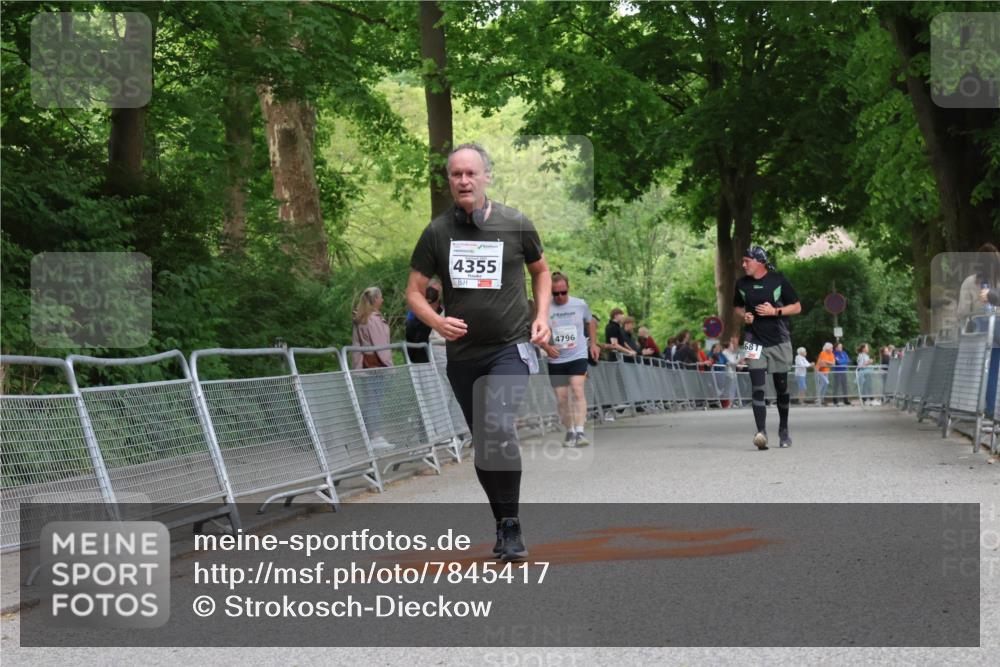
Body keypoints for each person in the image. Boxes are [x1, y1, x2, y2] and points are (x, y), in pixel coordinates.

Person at [406, 142, 551, 562]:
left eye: (471, 173)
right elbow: (413, 292)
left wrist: (541, 316)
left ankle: (511, 524)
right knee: (485, 442)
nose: (464, 181)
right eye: (456, 175)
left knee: (497, 425)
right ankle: (503, 522)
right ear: (449, 181)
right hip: (463, 356)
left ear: (487, 176)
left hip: (510, 347)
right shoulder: (437, 233)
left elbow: (540, 272)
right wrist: (436, 322)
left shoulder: (515, 223)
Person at [733, 245, 803, 449]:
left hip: (779, 341)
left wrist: (776, 311)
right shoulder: (741, 284)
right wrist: (743, 316)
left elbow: (797, 307)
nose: (743, 264)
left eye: (747, 261)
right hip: (754, 340)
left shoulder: (778, 280)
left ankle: (783, 430)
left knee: (781, 387)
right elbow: (737, 307)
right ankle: (761, 433)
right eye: (743, 261)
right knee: (757, 388)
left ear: (759, 262)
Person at [539, 272, 601, 447]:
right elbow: (537, 331)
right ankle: (570, 431)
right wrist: (546, 347)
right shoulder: (545, 308)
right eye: (555, 293)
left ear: (568, 289)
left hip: (577, 355)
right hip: (557, 358)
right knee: (562, 398)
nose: (559, 297)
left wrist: (594, 344)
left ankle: (580, 432)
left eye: (563, 292)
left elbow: (591, 322)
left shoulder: (580, 304)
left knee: (577, 389)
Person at [351, 286, 395, 450]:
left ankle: (367, 433)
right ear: (375, 299)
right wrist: (390, 366)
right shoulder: (373, 319)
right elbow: (381, 346)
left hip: (364, 367)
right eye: (381, 297)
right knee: (374, 402)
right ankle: (375, 435)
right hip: (376, 367)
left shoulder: (361, 318)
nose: (382, 300)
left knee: (370, 401)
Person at [957, 243, 1000, 322]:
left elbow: (962, 315)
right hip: (977, 330)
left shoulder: (968, 283)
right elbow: (963, 315)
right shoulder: (969, 283)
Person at [405, 282, 442, 363]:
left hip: (439, 359)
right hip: (420, 359)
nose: (432, 293)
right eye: (430, 290)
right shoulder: (416, 313)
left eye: (436, 292)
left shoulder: (443, 312)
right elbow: (411, 334)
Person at [831, 342, 852, 406]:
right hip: (837, 371)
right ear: (836, 347)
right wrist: (844, 361)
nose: (841, 348)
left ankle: (846, 400)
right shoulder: (834, 353)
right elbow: (838, 362)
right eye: (840, 346)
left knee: (845, 386)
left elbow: (848, 360)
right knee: (836, 386)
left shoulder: (844, 353)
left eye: (841, 346)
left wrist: (843, 361)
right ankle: (835, 400)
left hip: (844, 371)